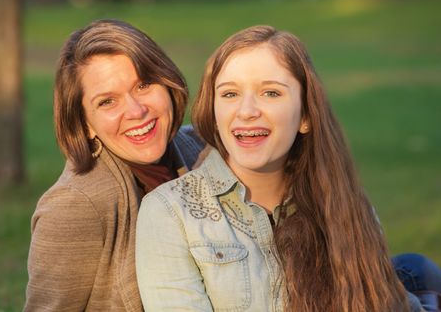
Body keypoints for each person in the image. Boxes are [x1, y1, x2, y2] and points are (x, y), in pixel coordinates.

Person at [136, 25, 436, 311]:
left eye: (271, 93)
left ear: (305, 115)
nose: (247, 111)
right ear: (214, 114)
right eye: (229, 94)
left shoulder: (348, 205)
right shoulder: (170, 212)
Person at [24, 19, 205, 311]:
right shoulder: (74, 206)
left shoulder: (200, 149)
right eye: (108, 102)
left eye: (144, 85)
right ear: (85, 124)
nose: (136, 111)